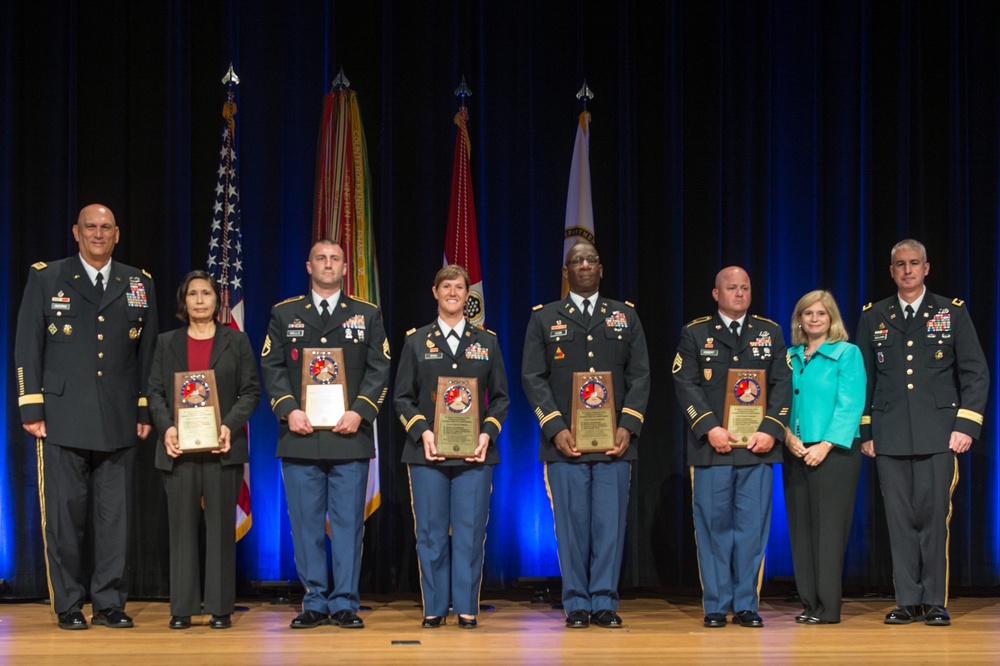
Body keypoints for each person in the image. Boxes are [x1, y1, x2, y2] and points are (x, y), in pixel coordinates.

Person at [14, 203, 158, 630]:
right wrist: (31, 406)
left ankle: (110, 602)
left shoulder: (138, 281)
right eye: (91, 227)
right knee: (65, 518)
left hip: (118, 416)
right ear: (76, 232)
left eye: (106, 228)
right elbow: (27, 345)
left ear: (118, 234)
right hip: (61, 415)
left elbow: (146, 354)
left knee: (115, 521)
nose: (98, 234)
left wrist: (144, 406)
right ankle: (69, 604)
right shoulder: (47, 277)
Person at [857, 239, 989, 627]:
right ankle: (906, 600)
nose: (908, 270)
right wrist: (866, 429)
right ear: (892, 271)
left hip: (939, 434)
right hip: (889, 432)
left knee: (934, 518)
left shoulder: (951, 312)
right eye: (901, 264)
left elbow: (975, 373)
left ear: (927, 268)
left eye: (915, 263)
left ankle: (934, 600)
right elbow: (863, 378)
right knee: (899, 519)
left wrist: (965, 425)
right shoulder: (874, 315)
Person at [260, 239, 390, 630]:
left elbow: (380, 367)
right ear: (308, 265)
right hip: (300, 435)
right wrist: (288, 409)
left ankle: (346, 601)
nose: (328, 264)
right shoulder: (286, 313)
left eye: (335, 259)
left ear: (345, 268)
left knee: (349, 525)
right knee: (305, 525)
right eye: (321, 258)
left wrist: (360, 412)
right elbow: (271, 366)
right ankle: (315, 600)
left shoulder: (366, 314)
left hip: (349, 435)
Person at [521, 241, 650, 629]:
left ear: (601, 268)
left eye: (591, 260)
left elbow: (641, 375)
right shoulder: (545, 318)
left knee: (610, 526)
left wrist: (628, 425)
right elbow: (533, 377)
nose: (585, 266)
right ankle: (576, 602)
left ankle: (605, 602)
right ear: (566, 271)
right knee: (572, 527)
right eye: (577, 261)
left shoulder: (625, 316)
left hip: (615, 443)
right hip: (565, 444)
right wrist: (555, 427)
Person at [672, 266, 791, 628]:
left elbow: (783, 383)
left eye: (745, 288)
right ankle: (715, 604)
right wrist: (709, 428)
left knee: (752, 530)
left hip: (758, 447)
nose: (739, 293)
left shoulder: (769, 332)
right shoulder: (695, 333)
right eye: (732, 288)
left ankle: (746, 604)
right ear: (716, 293)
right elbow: (685, 382)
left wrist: (772, 429)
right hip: (713, 449)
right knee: (713, 529)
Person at [394, 264, 509, 629]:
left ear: (467, 295)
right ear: (435, 292)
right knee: (429, 533)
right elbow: (401, 398)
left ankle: (465, 606)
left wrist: (486, 433)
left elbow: (502, 399)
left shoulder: (487, 342)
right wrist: (423, 432)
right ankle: (434, 606)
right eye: (446, 286)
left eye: (459, 287)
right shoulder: (416, 341)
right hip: (426, 453)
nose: (453, 292)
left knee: (470, 532)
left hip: (475, 455)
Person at [146, 271, 261, 630]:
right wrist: (166, 428)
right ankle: (181, 608)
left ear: (216, 301)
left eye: (206, 294)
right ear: (184, 301)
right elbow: (155, 393)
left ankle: (220, 607)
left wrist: (227, 424)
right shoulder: (167, 343)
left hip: (222, 449)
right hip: (179, 450)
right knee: (181, 530)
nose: (199, 300)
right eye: (193, 294)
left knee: (220, 530)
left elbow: (251, 392)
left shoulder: (236, 342)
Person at [781, 290, 865, 624]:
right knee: (801, 531)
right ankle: (809, 604)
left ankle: (828, 608)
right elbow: (779, 402)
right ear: (799, 319)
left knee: (828, 532)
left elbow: (851, 404)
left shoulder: (847, 353)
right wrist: (786, 436)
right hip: (795, 450)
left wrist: (826, 444)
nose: (814, 319)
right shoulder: (788, 356)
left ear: (832, 318)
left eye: (821, 314)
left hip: (834, 453)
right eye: (807, 314)